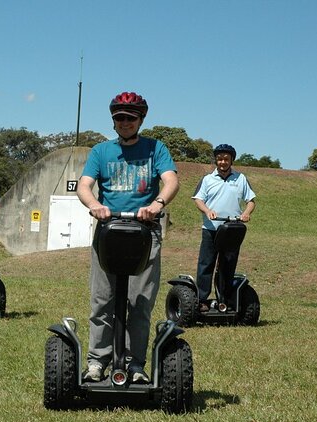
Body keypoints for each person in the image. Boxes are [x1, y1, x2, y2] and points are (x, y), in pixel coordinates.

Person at [76, 91, 179, 383]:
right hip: (109, 232)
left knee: (140, 302)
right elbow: (85, 185)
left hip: (145, 233)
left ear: (141, 119)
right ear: (113, 120)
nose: (125, 122)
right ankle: (97, 362)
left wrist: (157, 204)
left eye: (130, 118)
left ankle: (135, 365)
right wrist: (95, 205)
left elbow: (171, 181)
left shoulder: (156, 149)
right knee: (102, 300)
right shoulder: (101, 151)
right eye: (119, 118)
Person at [192, 143, 256, 312]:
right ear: (216, 160)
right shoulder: (207, 179)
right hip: (211, 229)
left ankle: (225, 300)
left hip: (232, 230)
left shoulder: (241, 178)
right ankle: (202, 300)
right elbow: (198, 199)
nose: (222, 162)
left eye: (226, 159)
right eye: (219, 159)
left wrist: (247, 213)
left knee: (228, 265)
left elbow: (251, 201)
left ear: (231, 160)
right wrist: (207, 210)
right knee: (206, 264)